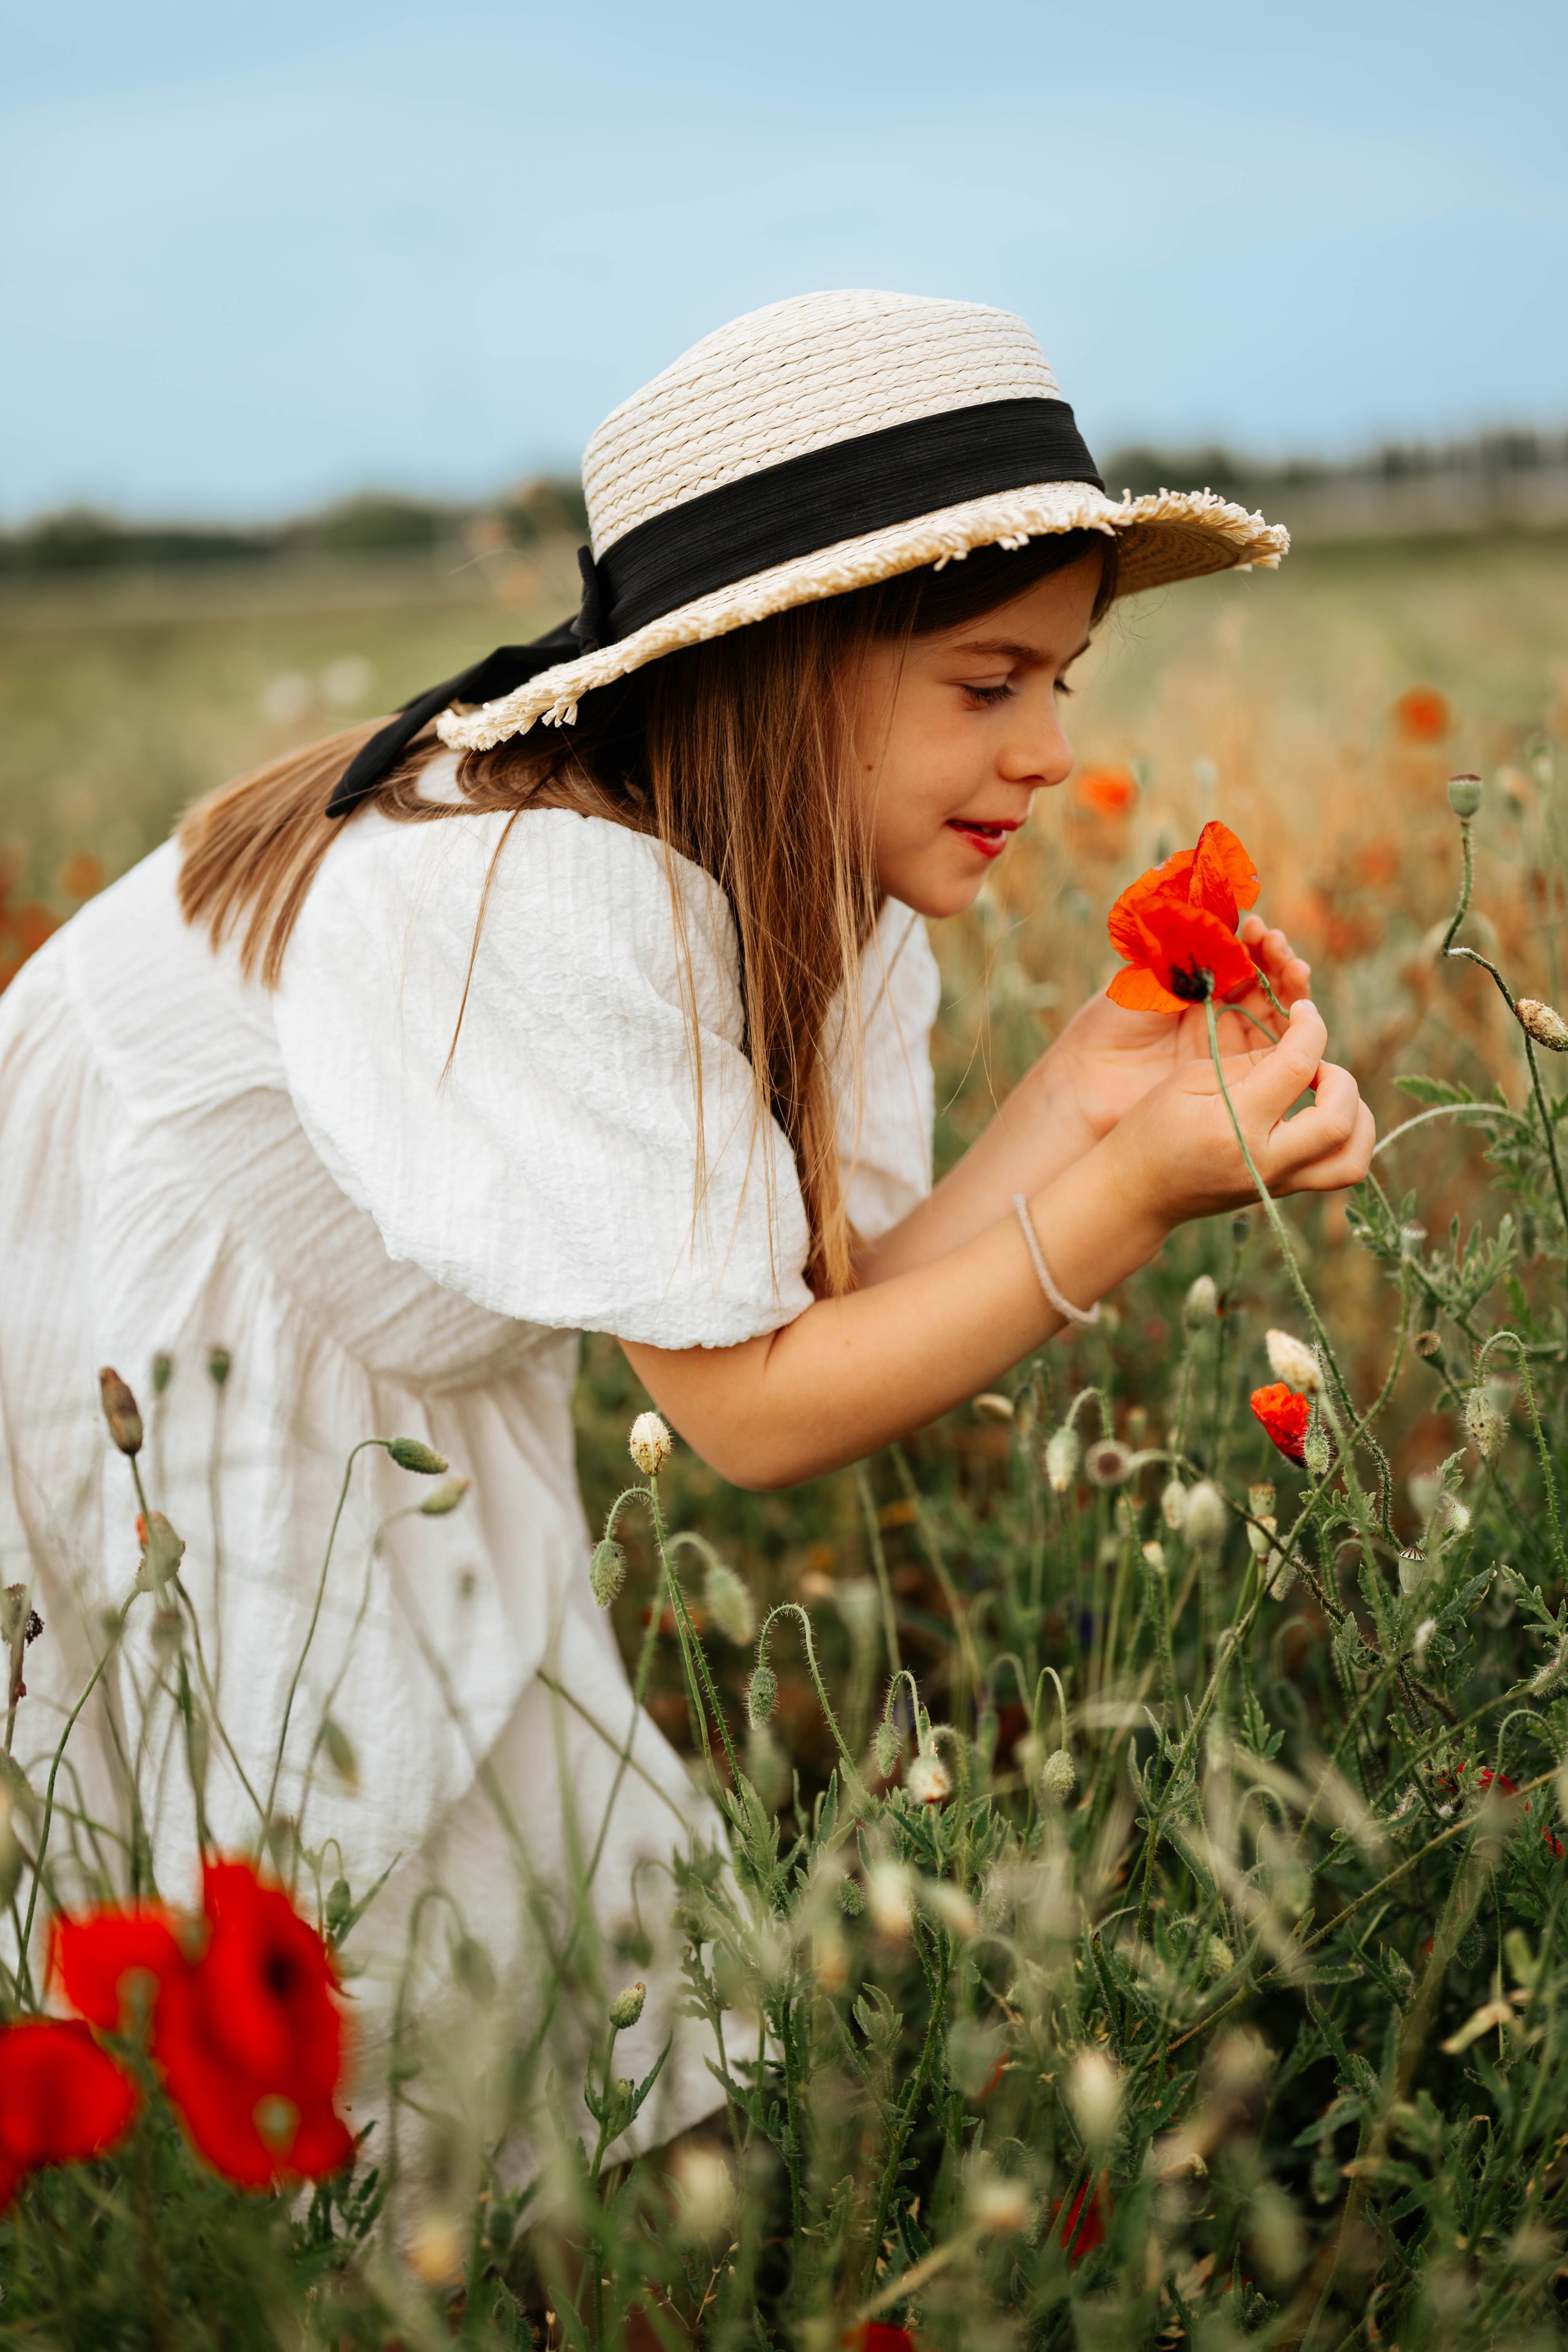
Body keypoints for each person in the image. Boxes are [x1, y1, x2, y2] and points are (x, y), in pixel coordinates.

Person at [0, 290, 1372, 2175]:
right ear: (782, 669)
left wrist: (1091, 1082)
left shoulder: (816, 873)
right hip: (155, 1335)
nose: (1050, 749)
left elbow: (831, 1296)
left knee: (588, 1933)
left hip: (376, 1368)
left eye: (1065, 680)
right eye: (992, 683)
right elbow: (753, 1413)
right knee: (327, 1929)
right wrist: (1128, 1203)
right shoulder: (534, 896)